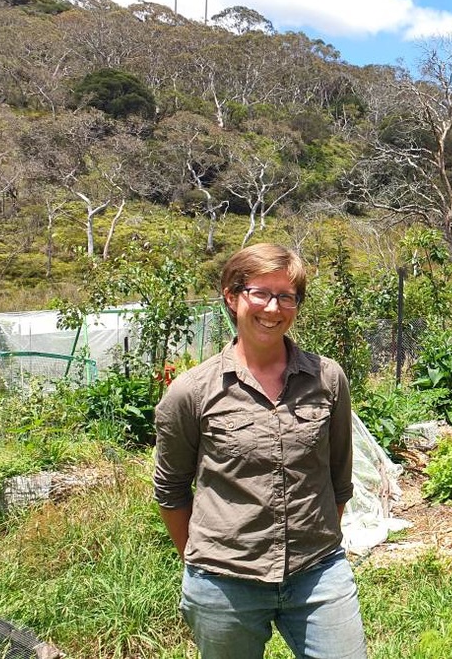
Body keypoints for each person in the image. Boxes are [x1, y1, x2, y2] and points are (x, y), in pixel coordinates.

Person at [154, 243, 367, 658]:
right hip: (225, 583)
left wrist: (313, 541)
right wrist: (204, 563)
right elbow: (171, 491)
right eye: (261, 293)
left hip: (317, 573)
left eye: (286, 296)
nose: (273, 308)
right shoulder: (192, 392)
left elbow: (339, 478)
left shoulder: (327, 379)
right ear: (232, 297)